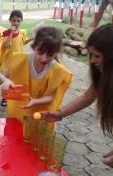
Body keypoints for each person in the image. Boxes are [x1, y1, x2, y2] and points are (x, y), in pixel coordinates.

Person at [41, 23, 113, 168]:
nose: (92, 61)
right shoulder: (103, 75)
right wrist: (58, 114)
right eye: (91, 54)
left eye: (97, 56)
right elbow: (88, 97)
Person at [0, 26, 72, 126]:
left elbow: (51, 97)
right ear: (34, 47)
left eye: (50, 55)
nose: (44, 59)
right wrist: (6, 81)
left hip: (41, 119)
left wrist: (36, 101)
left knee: (36, 139)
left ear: (56, 52)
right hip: (17, 115)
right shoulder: (20, 60)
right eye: (40, 52)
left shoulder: (57, 71)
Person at [0, 10, 34, 106]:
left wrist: (32, 38)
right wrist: (11, 33)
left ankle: (12, 97)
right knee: (6, 79)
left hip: (18, 60)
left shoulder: (22, 33)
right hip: (8, 61)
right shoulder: (6, 33)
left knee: (15, 79)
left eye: (18, 21)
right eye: (14, 21)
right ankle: (4, 98)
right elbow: (6, 45)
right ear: (10, 21)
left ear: (21, 21)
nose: (16, 23)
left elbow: (23, 43)